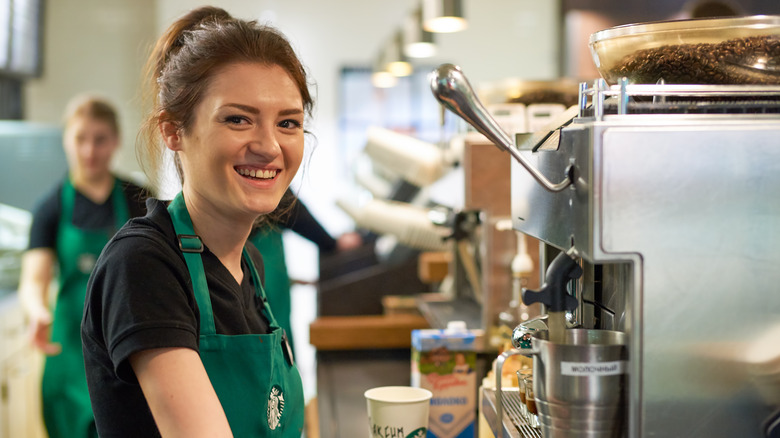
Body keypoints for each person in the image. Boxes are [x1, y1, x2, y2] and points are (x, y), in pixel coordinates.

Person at [81, 6, 312, 437]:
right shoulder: (144, 265)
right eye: (238, 119)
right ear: (173, 131)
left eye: (288, 123)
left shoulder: (251, 268)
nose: (269, 146)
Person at [18, 95, 147, 438]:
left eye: (100, 139)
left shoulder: (139, 199)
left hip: (126, 347)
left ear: (116, 141)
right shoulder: (50, 207)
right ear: (66, 140)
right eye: (80, 139)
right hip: (69, 349)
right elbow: (34, 279)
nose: (90, 151)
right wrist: (37, 312)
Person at [250, 189, 362, 354]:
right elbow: (288, 205)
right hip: (260, 245)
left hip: (258, 246)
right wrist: (331, 243)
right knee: (270, 324)